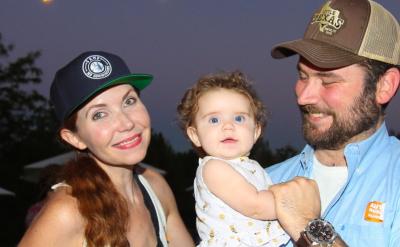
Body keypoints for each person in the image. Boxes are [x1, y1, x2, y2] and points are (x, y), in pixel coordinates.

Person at [19, 51, 194, 247]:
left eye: (129, 101)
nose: (126, 123)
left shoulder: (155, 186)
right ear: (74, 138)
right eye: (100, 114)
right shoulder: (68, 212)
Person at [266, 0, 400, 246]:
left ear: (384, 86)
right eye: (302, 76)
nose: (304, 96)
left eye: (328, 81)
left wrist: (308, 225)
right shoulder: (262, 182)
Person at [177, 71, 290, 246]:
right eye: (214, 120)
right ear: (195, 135)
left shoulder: (250, 166)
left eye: (239, 118)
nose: (228, 126)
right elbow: (256, 206)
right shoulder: (213, 168)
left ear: (256, 131)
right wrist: (295, 201)